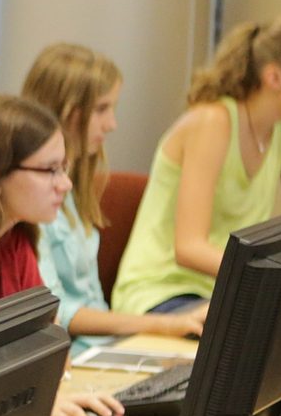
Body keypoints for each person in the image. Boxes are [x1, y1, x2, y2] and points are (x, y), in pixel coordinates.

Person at [110, 16, 281, 316]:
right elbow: (189, 247)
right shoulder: (213, 124)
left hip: (221, 291)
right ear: (274, 78)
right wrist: (269, 278)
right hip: (162, 293)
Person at [0, 93, 125, 416]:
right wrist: (35, 404)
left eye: (64, 168)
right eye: (50, 170)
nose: (65, 184)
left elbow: (50, 348)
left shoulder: (16, 240)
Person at [20, 43, 209, 350]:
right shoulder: (34, 197)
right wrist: (162, 325)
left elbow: (90, 296)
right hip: (76, 353)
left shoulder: (75, 185)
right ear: (67, 112)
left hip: (105, 346)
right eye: (101, 109)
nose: (112, 124)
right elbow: (57, 312)